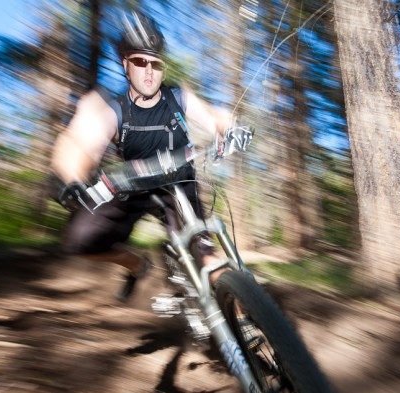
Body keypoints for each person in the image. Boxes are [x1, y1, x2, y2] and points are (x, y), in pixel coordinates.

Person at [50, 12, 251, 301]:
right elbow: (79, 143)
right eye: (139, 62)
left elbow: (214, 116)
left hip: (178, 180)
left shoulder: (178, 96)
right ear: (125, 65)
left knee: (205, 254)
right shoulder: (109, 107)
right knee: (82, 240)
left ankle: (246, 319)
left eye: (155, 63)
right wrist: (72, 179)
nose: (148, 71)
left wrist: (231, 129)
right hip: (132, 184)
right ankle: (137, 265)